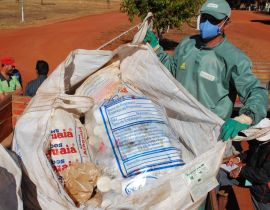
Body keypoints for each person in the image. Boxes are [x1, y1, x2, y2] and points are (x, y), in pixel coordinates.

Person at [144, 0, 268, 141]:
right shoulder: (187, 44)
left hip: (210, 134)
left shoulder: (234, 58)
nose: (206, 23)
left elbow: (256, 91)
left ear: (226, 23)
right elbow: (171, 71)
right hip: (178, 126)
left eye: (213, 20)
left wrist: (245, 118)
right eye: (204, 18)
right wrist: (156, 48)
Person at [222, 139, 270, 210]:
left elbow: (264, 176)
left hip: (262, 191)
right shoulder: (259, 141)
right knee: (222, 174)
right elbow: (251, 153)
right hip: (249, 180)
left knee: (262, 205)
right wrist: (238, 158)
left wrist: (240, 170)